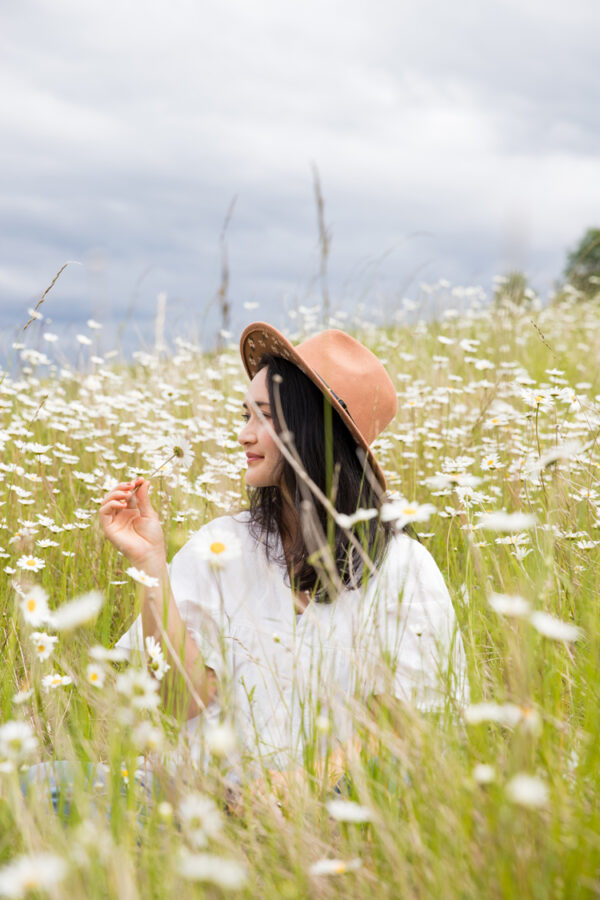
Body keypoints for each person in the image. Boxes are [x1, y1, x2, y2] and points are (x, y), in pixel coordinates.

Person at [100, 322, 468, 790]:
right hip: (194, 803)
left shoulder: (404, 569)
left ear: (315, 430)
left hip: (334, 820)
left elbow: (406, 728)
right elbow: (180, 702)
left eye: (264, 418)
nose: (243, 436)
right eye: (245, 415)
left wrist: (297, 787)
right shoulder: (220, 545)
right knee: (37, 784)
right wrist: (150, 565)